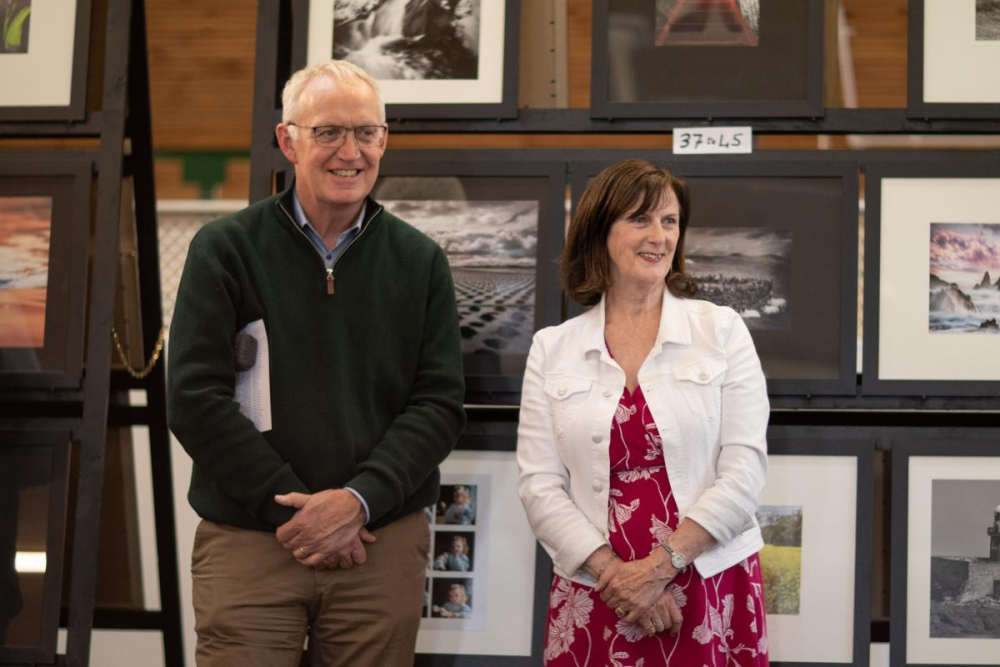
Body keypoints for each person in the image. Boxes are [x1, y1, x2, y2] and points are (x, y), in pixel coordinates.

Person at [167, 60, 466, 666]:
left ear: (384, 140)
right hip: (252, 541)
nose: (349, 152)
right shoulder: (224, 250)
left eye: (366, 133)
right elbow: (194, 399)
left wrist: (355, 502)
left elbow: (437, 406)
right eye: (328, 131)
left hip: (376, 543)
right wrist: (296, 510)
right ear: (288, 141)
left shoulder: (421, 261)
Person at [516, 160, 770, 666]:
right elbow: (538, 485)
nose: (659, 236)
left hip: (708, 579)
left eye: (670, 221)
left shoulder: (722, 331)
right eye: (640, 219)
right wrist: (618, 578)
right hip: (597, 588)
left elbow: (744, 472)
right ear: (599, 232)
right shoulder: (553, 348)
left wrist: (661, 568)